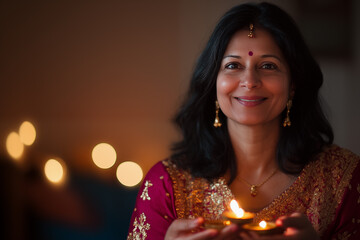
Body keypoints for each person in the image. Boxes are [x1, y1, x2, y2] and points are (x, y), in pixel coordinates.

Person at [127, 2, 360, 239]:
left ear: (293, 85)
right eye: (233, 65)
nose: (250, 81)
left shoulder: (341, 178)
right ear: (213, 84)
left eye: (268, 66)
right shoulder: (167, 185)